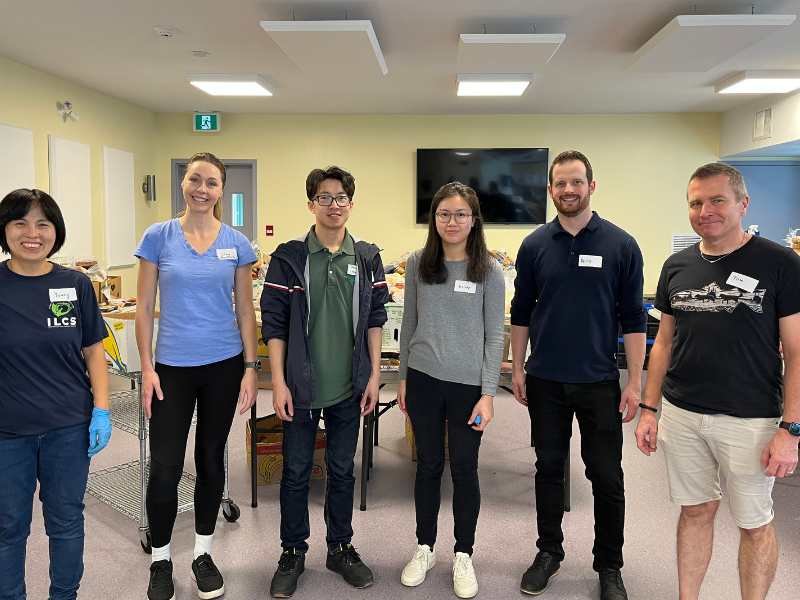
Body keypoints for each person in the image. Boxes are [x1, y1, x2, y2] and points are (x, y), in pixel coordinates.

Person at [635, 162, 800, 600]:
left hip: (750, 419)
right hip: (683, 413)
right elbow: (664, 343)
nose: (705, 210)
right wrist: (650, 409)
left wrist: (791, 429)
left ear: (743, 204)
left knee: (754, 522)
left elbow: (799, 353)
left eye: (717, 200)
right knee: (695, 511)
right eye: (695, 202)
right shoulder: (676, 266)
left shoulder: (780, 264)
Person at [510, 150, 646, 599]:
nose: (568, 190)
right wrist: (518, 368)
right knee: (548, 469)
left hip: (598, 380)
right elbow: (521, 312)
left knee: (606, 475)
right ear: (551, 190)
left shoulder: (621, 245)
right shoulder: (533, 246)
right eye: (560, 184)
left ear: (592, 185)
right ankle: (549, 551)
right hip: (546, 379)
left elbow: (633, 319)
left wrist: (636, 383)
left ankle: (609, 565)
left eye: (576, 182)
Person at [135, 152, 258, 600]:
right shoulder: (158, 237)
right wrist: (147, 367)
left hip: (224, 366)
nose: (202, 189)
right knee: (166, 466)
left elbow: (245, 309)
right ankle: (161, 559)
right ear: (183, 184)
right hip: (171, 369)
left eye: (211, 183)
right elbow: (144, 308)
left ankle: (203, 553)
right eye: (194, 180)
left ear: (221, 190)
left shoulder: (237, 244)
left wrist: (249, 367)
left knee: (210, 461)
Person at [261, 165, 388, 598]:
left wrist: (372, 375)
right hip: (300, 386)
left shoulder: (367, 257)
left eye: (341, 198)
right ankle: (293, 551)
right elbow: (274, 325)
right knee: (296, 472)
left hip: (349, 387)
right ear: (311, 202)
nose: (333, 205)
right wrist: (277, 383)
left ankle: (340, 547)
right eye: (324, 197)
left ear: (351, 204)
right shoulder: (290, 257)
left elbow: (375, 320)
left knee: (341, 469)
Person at [0, 188, 111, 600]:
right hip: (7, 433)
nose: (33, 233)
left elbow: (94, 352)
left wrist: (101, 410)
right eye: (20, 223)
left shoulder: (74, 285)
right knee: (8, 526)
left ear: (56, 231)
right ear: (5, 230)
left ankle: (64, 596)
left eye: (43, 223)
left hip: (68, 427)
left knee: (65, 522)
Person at [397, 182, 504, 599]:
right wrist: (404, 377)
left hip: (468, 389)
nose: (452, 222)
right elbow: (409, 324)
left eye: (461, 214)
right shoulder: (418, 262)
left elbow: (494, 338)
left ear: (474, 220)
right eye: (444, 214)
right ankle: (425, 547)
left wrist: (488, 393)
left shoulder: (489, 271)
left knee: (463, 469)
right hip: (423, 380)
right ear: (434, 219)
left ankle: (463, 553)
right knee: (427, 466)